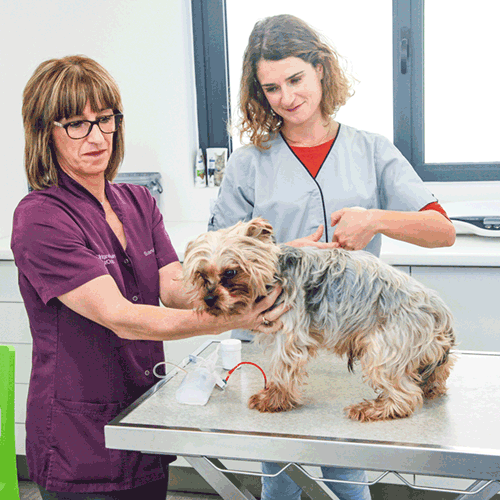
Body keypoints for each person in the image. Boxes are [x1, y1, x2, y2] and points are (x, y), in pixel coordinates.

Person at [11, 55, 287, 500]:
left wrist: (245, 277)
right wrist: (239, 319)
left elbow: (175, 289)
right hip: (79, 437)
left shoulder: (137, 201)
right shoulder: (41, 217)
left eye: (104, 119)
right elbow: (121, 318)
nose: (97, 136)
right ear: (46, 133)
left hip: (142, 418)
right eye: (76, 124)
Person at [208, 14, 455, 500]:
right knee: (277, 476)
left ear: (321, 69)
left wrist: (375, 220)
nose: (287, 97)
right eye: (271, 87)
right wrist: (279, 254)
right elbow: (216, 255)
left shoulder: (371, 150)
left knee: (348, 476)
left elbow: (441, 231)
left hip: (356, 343)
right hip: (278, 342)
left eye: (296, 79)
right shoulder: (248, 162)